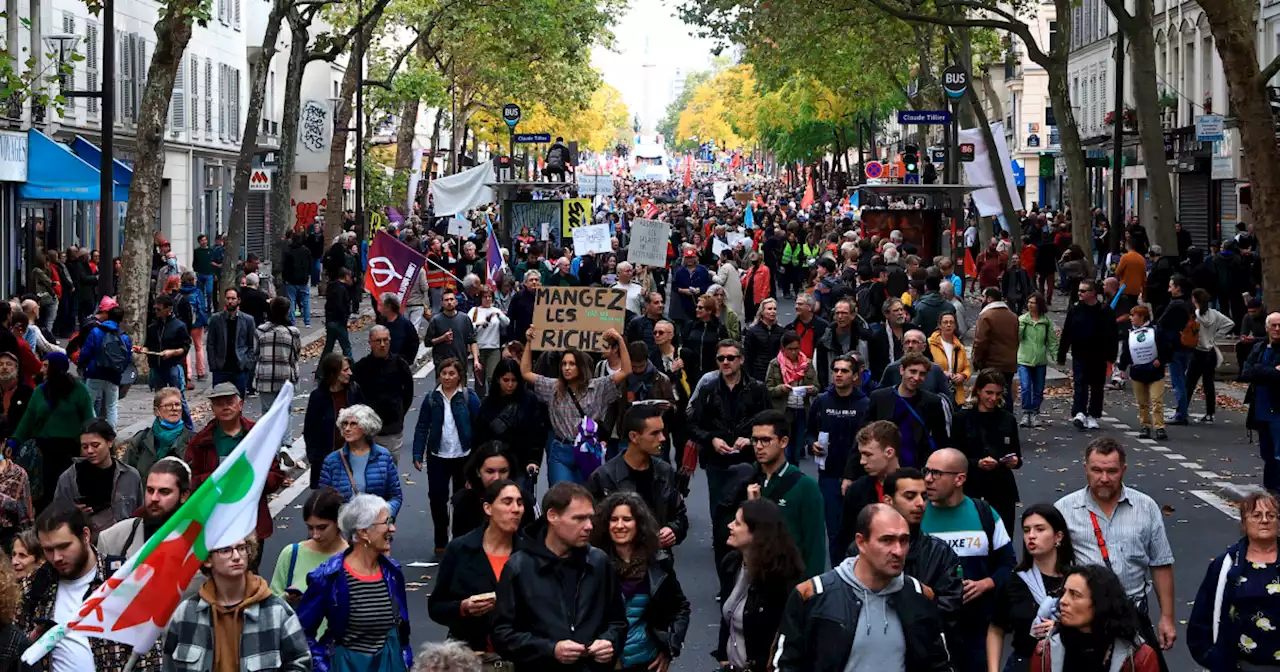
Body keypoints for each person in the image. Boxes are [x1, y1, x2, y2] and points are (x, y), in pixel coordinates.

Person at [774, 504, 953, 672]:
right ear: (861, 542)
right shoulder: (813, 596)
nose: (898, 551)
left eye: (904, 540)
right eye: (887, 540)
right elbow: (786, 665)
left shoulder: (919, 596)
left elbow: (939, 664)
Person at [1054, 438, 1177, 672]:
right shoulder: (1064, 509)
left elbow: (1160, 564)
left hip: (1133, 616)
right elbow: (1050, 567)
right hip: (1085, 621)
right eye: (1096, 470)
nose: (1104, 478)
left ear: (1124, 470)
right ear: (1085, 469)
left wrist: (1167, 618)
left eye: (1112, 471)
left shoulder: (1146, 507)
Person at [491, 482, 627, 669]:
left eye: (590, 518)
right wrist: (551, 649)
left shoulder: (599, 562)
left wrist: (609, 641)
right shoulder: (519, 567)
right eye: (579, 518)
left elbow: (618, 622)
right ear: (552, 516)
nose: (588, 526)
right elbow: (502, 635)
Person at [21, 506, 156, 672]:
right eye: (48, 550)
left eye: (64, 546)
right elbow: (15, 650)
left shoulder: (122, 578)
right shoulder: (36, 584)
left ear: (85, 536)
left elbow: (150, 652)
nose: (56, 557)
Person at [920, 447, 1017, 672]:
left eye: (936, 473)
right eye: (926, 471)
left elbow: (1009, 565)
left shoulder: (985, 513)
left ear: (960, 479)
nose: (927, 479)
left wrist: (985, 584)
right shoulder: (916, 515)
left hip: (977, 629)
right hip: (931, 629)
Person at [296, 494, 414, 671]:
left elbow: (402, 631)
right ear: (363, 532)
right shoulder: (329, 576)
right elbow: (301, 634)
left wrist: (405, 658)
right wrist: (325, 668)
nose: (393, 528)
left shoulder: (393, 572)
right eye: (386, 522)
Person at [688, 339, 771, 567]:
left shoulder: (757, 389)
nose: (725, 362)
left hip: (749, 463)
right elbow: (693, 425)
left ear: (741, 360)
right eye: (721, 358)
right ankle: (726, 574)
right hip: (717, 463)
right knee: (721, 517)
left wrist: (752, 440)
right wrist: (711, 439)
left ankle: (752, 571)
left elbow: (770, 421)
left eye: (730, 358)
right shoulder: (707, 390)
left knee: (751, 515)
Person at [186, 384, 286, 565]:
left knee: (250, 576)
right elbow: (191, 482)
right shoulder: (201, 441)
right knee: (221, 575)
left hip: (252, 522)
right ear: (212, 409)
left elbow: (276, 476)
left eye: (229, 402)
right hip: (216, 522)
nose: (225, 407)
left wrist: (252, 479)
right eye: (218, 403)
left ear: (240, 404)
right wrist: (217, 480)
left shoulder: (258, 435)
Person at [590, 492, 691, 672]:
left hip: (646, 661)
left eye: (627, 519)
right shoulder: (593, 565)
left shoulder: (658, 563)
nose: (619, 525)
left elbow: (680, 608)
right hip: (604, 663)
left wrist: (669, 649)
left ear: (639, 524)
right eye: (614, 520)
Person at [722, 410, 827, 578]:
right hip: (750, 576)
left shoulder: (806, 487)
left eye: (766, 440)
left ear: (783, 441)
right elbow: (728, 532)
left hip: (789, 581)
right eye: (755, 440)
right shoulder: (745, 479)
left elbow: (815, 546)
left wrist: (810, 590)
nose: (758, 446)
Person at [521, 326, 630, 485]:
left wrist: (619, 340)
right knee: (562, 497)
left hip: (588, 451)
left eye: (571, 364)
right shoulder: (553, 387)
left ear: (581, 366)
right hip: (561, 451)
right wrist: (529, 343)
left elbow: (626, 370)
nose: (566, 368)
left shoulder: (599, 387)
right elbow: (525, 372)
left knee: (585, 498)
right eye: (564, 364)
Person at [429, 478, 528, 652]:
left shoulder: (530, 554)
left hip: (520, 657)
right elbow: (437, 607)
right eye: (507, 502)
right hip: (472, 656)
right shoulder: (461, 549)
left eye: (520, 503)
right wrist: (463, 608)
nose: (516, 509)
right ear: (488, 508)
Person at [1188, 491, 1280, 672]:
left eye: (1271, 515)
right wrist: (1214, 659)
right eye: (1256, 515)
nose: (1264, 520)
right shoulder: (1226, 565)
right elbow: (1202, 616)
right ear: (1244, 523)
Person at [713, 498, 805, 672]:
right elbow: (728, 615)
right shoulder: (731, 564)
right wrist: (723, 658)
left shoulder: (782, 581)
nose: (730, 526)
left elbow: (789, 641)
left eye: (738, 523)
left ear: (757, 534)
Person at [985, 504, 1075, 672]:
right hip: (1023, 664)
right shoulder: (1014, 580)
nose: (1031, 536)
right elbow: (996, 628)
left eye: (1040, 529)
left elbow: (1094, 625)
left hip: (1066, 664)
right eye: (1026, 530)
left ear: (1058, 537)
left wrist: (1061, 627)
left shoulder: (1076, 580)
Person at [587, 404, 689, 549]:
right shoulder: (603, 477)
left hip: (659, 562)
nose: (662, 438)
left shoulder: (666, 472)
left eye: (662, 431)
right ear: (634, 437)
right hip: (617, 562)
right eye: (655, 433)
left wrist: (673, 530)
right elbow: (594, 529)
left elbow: (680, 517)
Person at [1028, 565, 1161, 672]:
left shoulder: (1138, 658)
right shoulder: (1046, 652)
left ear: (1100, 603)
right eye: (1063, 593)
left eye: (1074, 595)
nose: (1063, 601)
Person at [412, 357, 482, 555]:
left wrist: (478, 458)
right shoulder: (431, 398)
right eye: (444, 373)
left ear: (459, 375)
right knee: (437, 499)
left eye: (451, 373)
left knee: (462, 500)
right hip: (438, 456)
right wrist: (418, 452)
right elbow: (422, 427)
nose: (447, 377)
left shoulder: (469, 398)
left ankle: (461, 540)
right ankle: (441, 540)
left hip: (464, 456)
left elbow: (479, 427)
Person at [9, 352, 95, 511]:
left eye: (46, 366)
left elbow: (88, 419)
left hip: (70, 450)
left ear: (56, 368)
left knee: (66, 490)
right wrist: (15, 440)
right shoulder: (40, 391)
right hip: (44, 451)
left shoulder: (78, 390)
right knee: (45, 494)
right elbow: (28, 419)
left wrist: (88, 443)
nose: (42, 369)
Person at [49, 419, 142, 541]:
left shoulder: (130, 476)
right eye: (85, 447)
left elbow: (141, 515)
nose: (90, 451)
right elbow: (56, 517)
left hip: (124, 544)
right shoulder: (69, 478)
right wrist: (74, 514)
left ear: (109, 442)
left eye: (95, 445)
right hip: (86, 545)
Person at [954, 370, 1022, 536]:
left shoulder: (1008, 419)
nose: (993, 398)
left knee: (1002, 537)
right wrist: (976, 463)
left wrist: (1014, 461)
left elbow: (1017, 455)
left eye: (997, 394)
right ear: (978, 390)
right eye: (989, 393)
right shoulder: (962, 419)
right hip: (972, 487)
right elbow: (954, 455)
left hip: (1001, 488)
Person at [861, 352, 950, 469]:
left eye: (922, 374)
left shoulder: (932, 402)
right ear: (902, 370)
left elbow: (941, 438)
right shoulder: (879, 397)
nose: (917, 378)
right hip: (884, 464)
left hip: (917, 465)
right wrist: (850, 474)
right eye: (912, 372)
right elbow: (864, 434)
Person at [475, 358, 548, 492]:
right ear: (498, 379)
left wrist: (534, 460)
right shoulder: (488, 403)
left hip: (521, 463)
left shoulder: (529, 401)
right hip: (494, 463)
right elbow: (480, 436)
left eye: (514, 381)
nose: (510, 385)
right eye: (506, 380)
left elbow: (536, 433)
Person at [319, 403, 404, 515]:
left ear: (366, 427)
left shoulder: (383, 456)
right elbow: (322, 499)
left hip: (374, 526)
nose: (347, 428)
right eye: (345, 424)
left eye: (353, 424)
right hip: (343, 527)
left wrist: (386, 517)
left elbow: (395, 496)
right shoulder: (332, 461)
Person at [269, 487, 348, 605]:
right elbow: (272, 602)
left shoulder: (353, 557)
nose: (315, 535)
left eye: (322, 528)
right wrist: (287, 599)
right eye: (310, 528)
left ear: (339, 522)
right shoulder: (291, 554)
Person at [1058, 279, 1117, 431]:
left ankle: (1093, 414)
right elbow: (1067, 332)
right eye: (1079, 291)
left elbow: (1112, 335)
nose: (1080, 294)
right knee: (1080, 383)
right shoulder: (1075, 309)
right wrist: (1062, 353)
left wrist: (1112, 356)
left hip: (1099, 354)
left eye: (1083, 291)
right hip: (1080, 353)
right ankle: (1079, 412)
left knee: (1097, 386)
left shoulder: (1105, 311)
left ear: (1092, 293)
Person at [353, 326, 416, 464]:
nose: (382, 344)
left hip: (392, 428)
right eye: (378, 341)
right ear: (370, 342)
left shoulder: (400, 365)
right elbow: (354, 395)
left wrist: (399, 412)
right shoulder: (361, 368)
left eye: (385, 340)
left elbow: (408, 392)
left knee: (390, 468)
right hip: (367, 428)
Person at [449, 443, 536, 538]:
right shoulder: (462, 501)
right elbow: (457, 545)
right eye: (490, 472)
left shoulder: (525, 501)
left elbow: (533, 542)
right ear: (478, 471)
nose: (496, 478)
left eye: (503, 471)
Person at [303, 353, 364, 489]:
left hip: (353, 458)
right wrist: (315, 458)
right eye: (345, 370)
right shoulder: (318, 397)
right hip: (328, 461)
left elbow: (365, 419)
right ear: (334, 373)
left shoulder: (354, 391)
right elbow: (310, 430)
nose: (350, 373)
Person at [765, 330, 818, 465]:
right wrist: (781, 388)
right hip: (784, 410)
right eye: (790, 349)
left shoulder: (807, 364)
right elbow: (768, 389)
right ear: (784, 348)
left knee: (797, 447)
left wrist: (811, 390)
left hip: (801, 409)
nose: (794, 352)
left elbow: (817, 387)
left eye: (797, 349)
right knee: (785, 447)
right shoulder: (775, 364)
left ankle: (794, 476)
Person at [1119, 305, 1170, 441]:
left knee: (1156, 400)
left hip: (1155, 372)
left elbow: (1167, 349)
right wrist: (1122, 367)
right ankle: (1145, 425)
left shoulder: (1156, 331)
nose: (1130, 318)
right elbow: (1126, 352)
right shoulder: (1129, 333)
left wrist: (1160, 360)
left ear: (1142, 317)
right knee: (1142, 402)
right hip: (1138, 372)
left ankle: (1159, 427)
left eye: (1133, 315)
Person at [1185, 288, 1235, 424]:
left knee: (1190, 382)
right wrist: (1217, 335)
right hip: (1211, 351)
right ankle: (1210, 413)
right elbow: (1230, 323)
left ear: (1194, 299)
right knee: (1209, 384)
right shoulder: (1214, 314)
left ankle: (1183, 409)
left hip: (1198, 351)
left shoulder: (1195, 315)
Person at [77, 304, 131, 428]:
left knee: (89, 403)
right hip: (113, 375)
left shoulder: (96, 332)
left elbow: (86, 351)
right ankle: (111, 433)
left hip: (95, 372)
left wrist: (82, 364)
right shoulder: (124, 337)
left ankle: (90, 429)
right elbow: (127, 358)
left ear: (108, 316)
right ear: (121, 319)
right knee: (112, 406)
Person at [143, 294, 193, 428]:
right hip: (157, 367)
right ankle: (162, 425)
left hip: (172, 366)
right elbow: (148, 344)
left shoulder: (179, 326)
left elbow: (185, 346)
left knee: (178, 398)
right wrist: (143, 350)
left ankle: (188, 427)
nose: (156, 312)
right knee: (160, 399)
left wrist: (172, 352)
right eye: (155, 309)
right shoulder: (153, 326)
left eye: (159, 309)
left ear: (168, 309)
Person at [1243, 312, 1280, 491]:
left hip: (1278, 409)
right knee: (1266, 453)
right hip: (1260, 409)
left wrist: (1260, 371)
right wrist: (1269, 371)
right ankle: (1269, 488)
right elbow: (1246, 373)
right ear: (1266, 328)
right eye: (1273, 325)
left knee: (1279, 452)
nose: (1277, 329)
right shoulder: (1259, 348)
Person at [973, 288, 1020, 409]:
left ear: (989, 299)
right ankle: (1008, 420)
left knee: (989, 394)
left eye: (983, 297)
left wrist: (977, 360)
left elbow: (980, 341)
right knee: (1006, 392)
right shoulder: (1013, 316)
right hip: (1009, 362)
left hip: (991, 363)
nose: (982, 300)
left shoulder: (986, 316)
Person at [207, 287, 258, 398]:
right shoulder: (216, 319)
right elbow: (210, 343)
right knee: (220, 401)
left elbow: (252, 344)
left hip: (239, 367)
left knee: (238, 401)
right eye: (228, 298)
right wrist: (213, 365)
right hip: (221, 368)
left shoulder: (248, 320)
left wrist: (247, 363)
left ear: (238, 300)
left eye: (233, 298)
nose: (230, 301)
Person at [254, 297, 301, 414]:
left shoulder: (261, 330)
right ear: (287, 312)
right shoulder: (293, 332)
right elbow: (296, 355)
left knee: (267, 415)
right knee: (284, 415)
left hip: (265, 378)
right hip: (285, 379)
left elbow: (255, 353)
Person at [880, 329, 955, 402]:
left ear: (924, 346)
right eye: (907, 342)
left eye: (915, 342)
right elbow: (882, 396)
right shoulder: (892, 368)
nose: (910, 345)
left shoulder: (935, 369)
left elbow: (947, 397)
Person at [1016, 293, 1057, 428]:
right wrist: (1020, 327)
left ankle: (1035, 412)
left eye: (1033, 303)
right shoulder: (1022, 319)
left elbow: (1051, 341)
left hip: (1040, 360)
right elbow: (1017, 338)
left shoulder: (1045, 322)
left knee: (1038, 389)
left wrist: (1056, 356)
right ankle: (1026, 412)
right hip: (1024, 359)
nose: (1030, 305)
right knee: (1026, 387)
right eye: (1029, 302)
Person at [468, 288, 508, 390]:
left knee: (493, 377)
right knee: (480, 380)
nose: (488, 299)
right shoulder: (474, 311)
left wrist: (499, 315)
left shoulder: (496, 310)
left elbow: (506, 322)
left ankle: (493, 399)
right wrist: (478, 324)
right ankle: (480, 401)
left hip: (493, 348)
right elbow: (467, 326)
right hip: (478, 348)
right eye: (485, 297)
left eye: (490, 297)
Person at [929, 312, 970, 408]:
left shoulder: (960, 347)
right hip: (936, 392)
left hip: (956, 393)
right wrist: (941, 373)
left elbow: (967, 367)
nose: (948, 325)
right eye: (945, 322)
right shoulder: (930, 344)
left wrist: (963, 376)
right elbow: (926, 365)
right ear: (939, 325)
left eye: (951, 322)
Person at [281, 230, 315, 327]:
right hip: (303, 279)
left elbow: (285, 266)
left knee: (291, 301)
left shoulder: (289, 251)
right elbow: (309, 265)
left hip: (291, 279)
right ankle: (307, 321)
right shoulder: (306, 251)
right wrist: (307, 275)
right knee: (306, 300)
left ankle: (292, 321)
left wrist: (285, 278)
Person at [379, 293, 421, 367]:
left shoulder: (405, 324)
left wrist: (406, 361)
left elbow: (414, 343)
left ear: (388, 307)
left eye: (381, 305)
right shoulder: (382, 323)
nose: (378, 309)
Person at [322, 268, 355, 358]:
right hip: (339, 322)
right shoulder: (342, 289)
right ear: (347, 276)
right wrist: (344, 319)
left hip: (330, 320)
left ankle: (321, 370)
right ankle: (352, 369)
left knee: (328, 348)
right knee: (346, 348)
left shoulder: (332, 287)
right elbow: (340, 306)